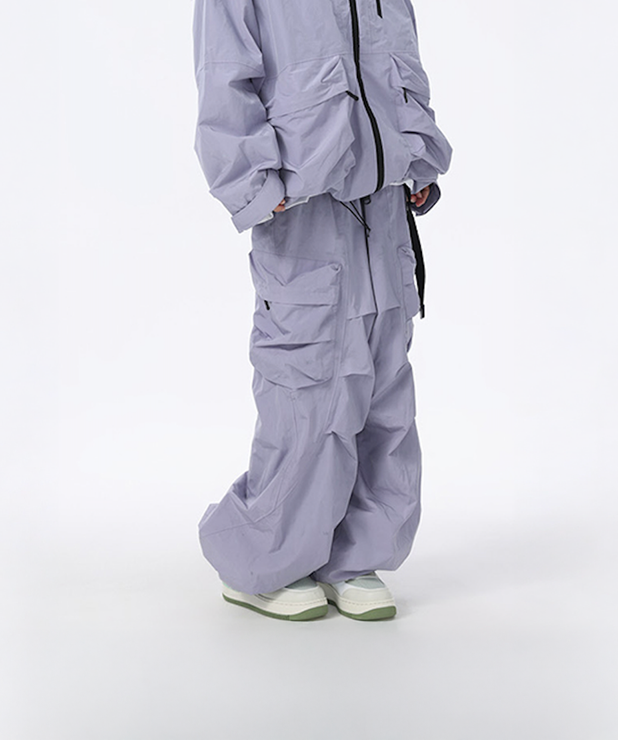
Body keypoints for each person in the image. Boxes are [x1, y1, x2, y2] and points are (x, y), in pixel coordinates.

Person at [192, 0, 453, 621]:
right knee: (307, 388)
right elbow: (224, 76)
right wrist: (256, 186)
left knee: (383, 389)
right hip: (306, 205)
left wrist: (416, 157)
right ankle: (260, 562)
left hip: (383, 206)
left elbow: (399, 60)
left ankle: (354, 555)